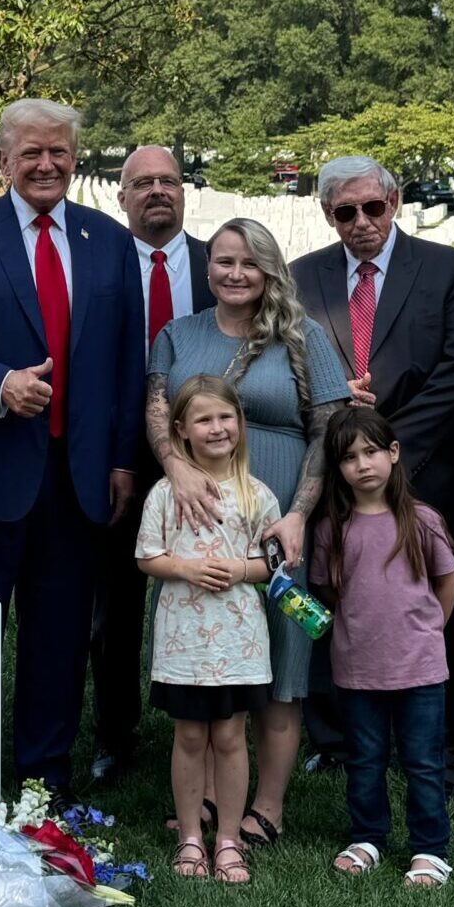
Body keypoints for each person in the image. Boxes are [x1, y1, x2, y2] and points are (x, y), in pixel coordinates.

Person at [0, 96, 144, 789]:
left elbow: (128, 360)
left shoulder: (107, 241)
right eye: (31, 152)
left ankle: (44, 776)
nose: (47, 164)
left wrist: (123, 457)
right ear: (4, 160)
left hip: (77, 476)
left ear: (76, 158)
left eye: (59, 151)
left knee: (60, 636)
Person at [147, 217, 348, 846]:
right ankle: (203, 798)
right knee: (205, 644)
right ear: (208, 269)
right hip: (198, 511)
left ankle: (267, 804)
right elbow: (157, 410)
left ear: (269, 271)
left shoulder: (302, 335)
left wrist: (299, 512)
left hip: (279, 501)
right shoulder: (178, 334)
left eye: (248, 263)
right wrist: (176, 469)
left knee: (281, 653)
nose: (235, 274)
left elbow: (328, 426)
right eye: (223, 262)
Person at [287, 155, 454, 789]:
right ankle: (338, 736)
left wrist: (387, 445)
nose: (362, 221)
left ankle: (445, 741)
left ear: (394, 202)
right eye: (346, 211)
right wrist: (345, 439)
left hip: (423, 464)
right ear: (327, 214)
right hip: (337, 469)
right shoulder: (302, 278)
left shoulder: (449, 268)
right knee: (338, 591)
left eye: (374, 207)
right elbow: (294, 369)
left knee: (433, 595)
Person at [89, 145, 213, 787]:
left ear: (185, 191)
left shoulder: (218, 260)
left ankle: (217, 722)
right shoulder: (99, 263)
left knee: (214, 585)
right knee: (115, 601)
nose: (158, 191)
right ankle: (115, 732)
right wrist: (116, 454)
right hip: (120, 455)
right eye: (143, 183)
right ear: (122, 196)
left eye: (169, 180)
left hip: (208, 453)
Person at [307, 405, 454, 889]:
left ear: (393, 454)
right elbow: (327, 591)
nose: (363, 464)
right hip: (357, 670)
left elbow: (447, 581)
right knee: (365, 757)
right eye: (350, 457)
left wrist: (431, 629)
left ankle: (430, 848)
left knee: (423, 760)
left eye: (372, 452)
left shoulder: (421, 520)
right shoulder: (335, 528)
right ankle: (368, 835)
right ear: (339, 469)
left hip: (419, 669)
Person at [134, 375, 277, 887]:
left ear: (240, 423)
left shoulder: (256, 494)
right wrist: (185, 568)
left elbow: (272, 564)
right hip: (185, 643)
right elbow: (147, 555)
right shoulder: (165, 494)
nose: (217, 428)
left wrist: (242, 570)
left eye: (225, 417)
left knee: (232, 737)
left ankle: (230, 839)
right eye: (203, 420)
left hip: (238, 642)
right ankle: (191, 835)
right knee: (191, 735)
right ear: (181, 431)